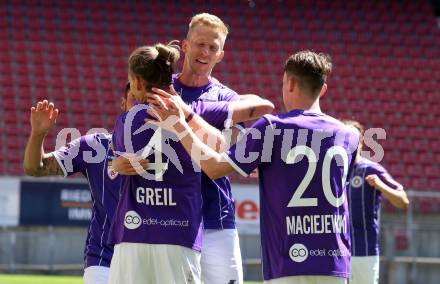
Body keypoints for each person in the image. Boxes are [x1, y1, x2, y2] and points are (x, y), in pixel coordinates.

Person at [147, 50, 360, 283]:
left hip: (288, 261)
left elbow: (214, 167)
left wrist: (180, 124)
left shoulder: (272, 127)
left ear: (289, 83)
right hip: (336, 262)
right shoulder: (349, 135)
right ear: (323, 89)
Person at [108, 42, 273, 284]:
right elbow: (261, 108)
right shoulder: (196, 110)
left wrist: (115, 164)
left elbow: (115, 156)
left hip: (134, 234)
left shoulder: (126, 122)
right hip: (180, 233)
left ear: (139, 83)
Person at [23, 84, 137, 284]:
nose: (139, 108)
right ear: (123, 104)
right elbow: (36, 168)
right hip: (103, 259)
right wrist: (38, 134)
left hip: (151, 257)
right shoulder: (93, 147)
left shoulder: (169, 152)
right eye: (134, 100)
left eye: (147, 102)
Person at [173, 13, 246, 283]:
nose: (205, 52)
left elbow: (229, 148)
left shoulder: (227, 99)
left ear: (220, 55)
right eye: (200, 44)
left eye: (213, 47)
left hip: (216, 218)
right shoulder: (162, 90)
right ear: (185, 45)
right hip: (169, 219)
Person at [343, 120, 409, 284]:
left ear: (361, 142)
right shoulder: (334, 172)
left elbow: (403, 201)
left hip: (364, 252)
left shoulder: (371, 169)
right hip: (337, 254)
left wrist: (380, 186)